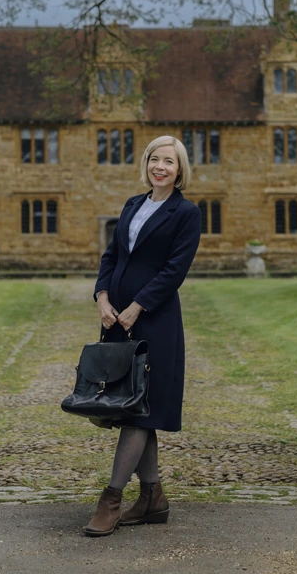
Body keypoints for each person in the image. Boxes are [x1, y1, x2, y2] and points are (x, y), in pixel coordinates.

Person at [85, 135, 201, 537]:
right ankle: (152, 498)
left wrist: (138, 306)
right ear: (147, 164)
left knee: (139, 410)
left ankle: (111, 500)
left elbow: (174, 270)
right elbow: (111, 256)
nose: (161, 167)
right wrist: (102, 297)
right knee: (135, 405)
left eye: (169, 161)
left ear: (180, 169)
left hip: (154, 321)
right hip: (115, 320)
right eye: (155, 159)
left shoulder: (186, 213)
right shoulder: (133, 204)